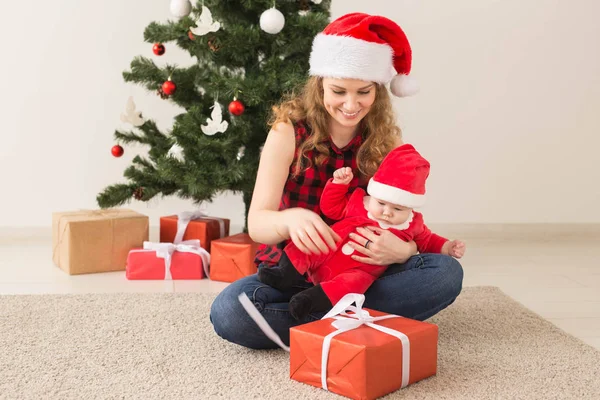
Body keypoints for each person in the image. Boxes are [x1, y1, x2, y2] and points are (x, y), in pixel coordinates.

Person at [210, 12, 464, 349]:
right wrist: (291, 220)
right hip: (294, 274)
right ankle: (350, 322)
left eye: (363, 92)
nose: (350, 103)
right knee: (230, 310)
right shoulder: (288, 133)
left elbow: (405, 221)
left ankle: (320, 321)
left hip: (357, 275)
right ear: (319, 85)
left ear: (378, 91)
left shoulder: (384, 143)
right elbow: (257, 223)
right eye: (339, 91)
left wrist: (405, 250)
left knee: (446, 273)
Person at [258, 144, 466, 320]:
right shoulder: (359, 202)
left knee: (353, 284)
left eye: (398, 209)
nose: (387, 213)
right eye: (382, 203)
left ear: (411, 208)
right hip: (328, 248)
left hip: (360, 271)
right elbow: (331, 208)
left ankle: (313, 303)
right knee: (305, 247)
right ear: (373, 193)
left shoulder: (413, 224)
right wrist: (338, 186)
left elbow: (428, 241)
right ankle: (284, 276)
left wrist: (447, 247)